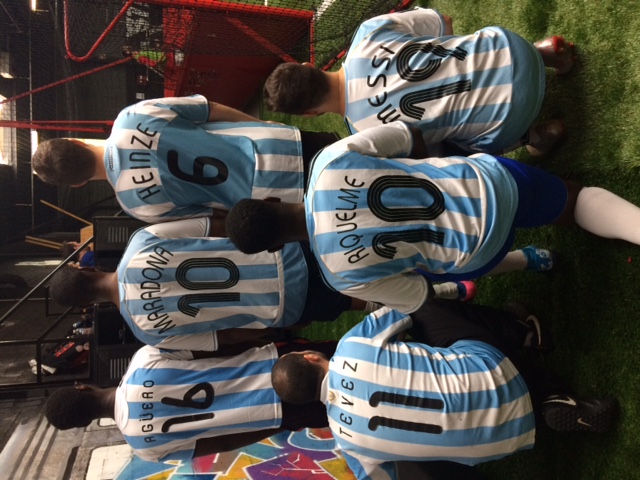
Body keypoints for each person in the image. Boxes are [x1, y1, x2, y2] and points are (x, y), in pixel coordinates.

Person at [225, 121, 640, 312]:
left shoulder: (340, 278)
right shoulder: (327, 162)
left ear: (276, 248)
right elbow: (409, 136)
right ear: (272, 199)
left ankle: (530, 260)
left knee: (421, 267)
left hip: (478, 253)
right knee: (573, 200)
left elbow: (418, 294)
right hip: (488, 184)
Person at [271, 301, 618, 478]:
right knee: (423, 309)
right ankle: (526, 334)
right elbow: (402, 305)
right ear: (311, 356)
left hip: (504, 441)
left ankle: (552, 403)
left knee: (403, 458)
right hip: (496, 375)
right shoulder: (352, 344)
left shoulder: (347, 444)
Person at [263, 7, 576, 156]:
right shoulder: (367, 34)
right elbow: (443, 22)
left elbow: (432, 155)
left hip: (509, 117)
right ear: (310, 66)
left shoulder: (369, 135)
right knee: (463, 46)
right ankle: (541, 53)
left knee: (449, 151)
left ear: (310, 114)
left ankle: (536, 135)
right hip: (511, 47)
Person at [31, 95, 340, 224]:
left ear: (77, 183)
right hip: (275, 146)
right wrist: (260, 125)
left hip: (273, 197)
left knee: (350, 198)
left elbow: (213, 215)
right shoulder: (132, 116)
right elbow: (209, 109)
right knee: (357, 154)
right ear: (76, 141)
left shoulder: (136, 206)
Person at [44, 340, 338, 462]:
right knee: (351, 357)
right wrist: (272, 341)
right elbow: (217, 348)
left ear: (85, 422)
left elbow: (223, 443)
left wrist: (277, 424)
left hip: (276, 414)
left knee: (347, 405)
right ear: (82, 387)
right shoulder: (144, 360)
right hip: (275, 365)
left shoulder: (145, 448)